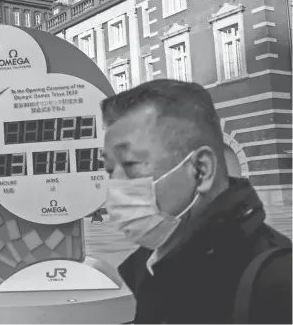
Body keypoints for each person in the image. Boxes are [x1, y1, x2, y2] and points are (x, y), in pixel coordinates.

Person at [101, 79, 292, 324]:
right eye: (108, 169)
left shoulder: (276, 282)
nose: (116, 184)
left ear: (201, 170)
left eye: (130, 164)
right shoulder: (145, 268)